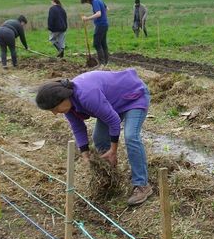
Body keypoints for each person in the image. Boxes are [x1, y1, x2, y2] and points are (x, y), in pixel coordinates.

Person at [35, 69, 152, 206]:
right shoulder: (69, 105)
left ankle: (142, 185)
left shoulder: (86, 95)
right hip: (112, 103)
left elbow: (113, 121)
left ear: (63, 97)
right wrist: (85, 154)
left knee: (131, 136)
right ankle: (110, 177)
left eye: (54, 108)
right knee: (99, 138)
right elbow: (78, 128)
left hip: (133, 95)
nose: (55, 113)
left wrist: (113, 150)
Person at [80, 0, 109, 66]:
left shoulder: (95, 2)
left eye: (86, 1)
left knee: (96, 44)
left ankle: (101, 63)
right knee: (103, 44)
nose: (87, 3)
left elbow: (98, 14)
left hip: (100, 25)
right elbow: (106, 8)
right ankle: (106, 63)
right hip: (104, 24)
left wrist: (87, 18)